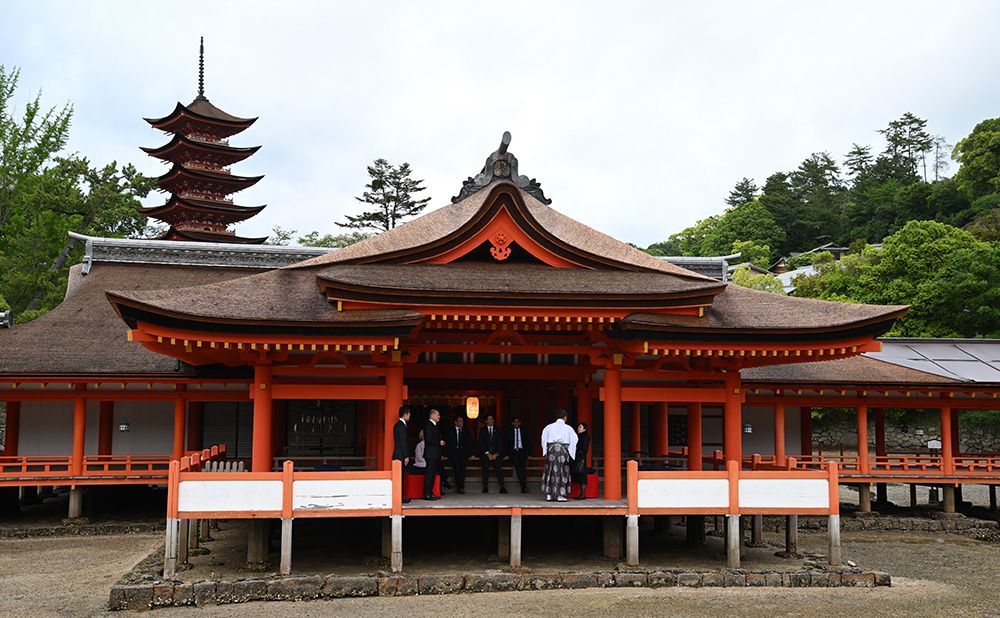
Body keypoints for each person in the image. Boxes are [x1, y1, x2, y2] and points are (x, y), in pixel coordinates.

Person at [540, 409, 578, 502]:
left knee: (550, 470)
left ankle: (549, 494)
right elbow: (575, 439)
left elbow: (543, 439)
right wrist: (571, 452)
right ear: (565, 417)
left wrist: (545, 451)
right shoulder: (568, 428)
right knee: (562, 471)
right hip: (562, 451)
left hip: (551, 451)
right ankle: (560, 495)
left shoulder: (548, 427)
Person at [478, 414, 507, 493]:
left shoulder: (498, 430)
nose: (492, 421)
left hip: (496, 454)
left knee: (498, 466)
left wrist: (496, 454)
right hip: (486, 454)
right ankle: (485, 487)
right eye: (490, 419)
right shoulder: (482, 430)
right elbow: (481, 443)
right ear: (486, 421)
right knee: (485, 467)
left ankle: (502, 486)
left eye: (492, 419)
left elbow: (500, 443)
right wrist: (488, 454)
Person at [446, 415, 472, 494]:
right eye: (460, 421)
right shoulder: (451, 431)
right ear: (455, 422)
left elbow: (469, 442)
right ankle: (459, 486)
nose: (462, 422)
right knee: (457, 469)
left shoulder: (465, 431)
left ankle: (461, 486)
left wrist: (471, 453)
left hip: (463, 453)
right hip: (454, 453)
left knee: (463, 469)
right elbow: (448, 443)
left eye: (462, 421)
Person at [423, 409, 445, 500]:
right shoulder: (429, 425)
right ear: (432, 415)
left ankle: (430, 492)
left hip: (434, 454)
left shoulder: (434, 425)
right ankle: (427, 494)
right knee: (429, 474)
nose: (439, 417)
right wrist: (439, 442)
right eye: (438, 415)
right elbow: (428, 439)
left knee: (432, 474)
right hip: (431, 454)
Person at [392, 405, 411, 504]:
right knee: (401, 477)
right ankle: (401, 497)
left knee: (398, 477)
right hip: (401, 455)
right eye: (409, 414)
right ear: (405, 414)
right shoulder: (402, 426)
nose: (410, 415)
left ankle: (399, 496)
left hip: (396, 453)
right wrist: (406, 456)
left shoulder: (396, 425)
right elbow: (403, 442)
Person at [506, 416, 530, 493]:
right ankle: (524, 486)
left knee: (523, 469)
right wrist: (507, 454)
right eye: (515, 422)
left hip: (522, 451)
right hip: (514, 452)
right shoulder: (509, 432)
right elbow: (507, 444)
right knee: (518, 468)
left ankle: (524, 486)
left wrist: (528, 453)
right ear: (512, 423)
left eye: (517, 422)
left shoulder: (524, 431)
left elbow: (528, 442)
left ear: (520, 423)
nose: (516, 423)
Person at [573, 422, 592, 500]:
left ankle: (583, 494)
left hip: (581, 458)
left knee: (582, 475)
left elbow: (584, 449)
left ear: (585, 429)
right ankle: (581, 494)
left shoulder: (585, 437)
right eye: (578, 427)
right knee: (579, 475)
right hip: (578, 458)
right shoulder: (579, 436)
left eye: (580, 427)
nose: (578, 428)